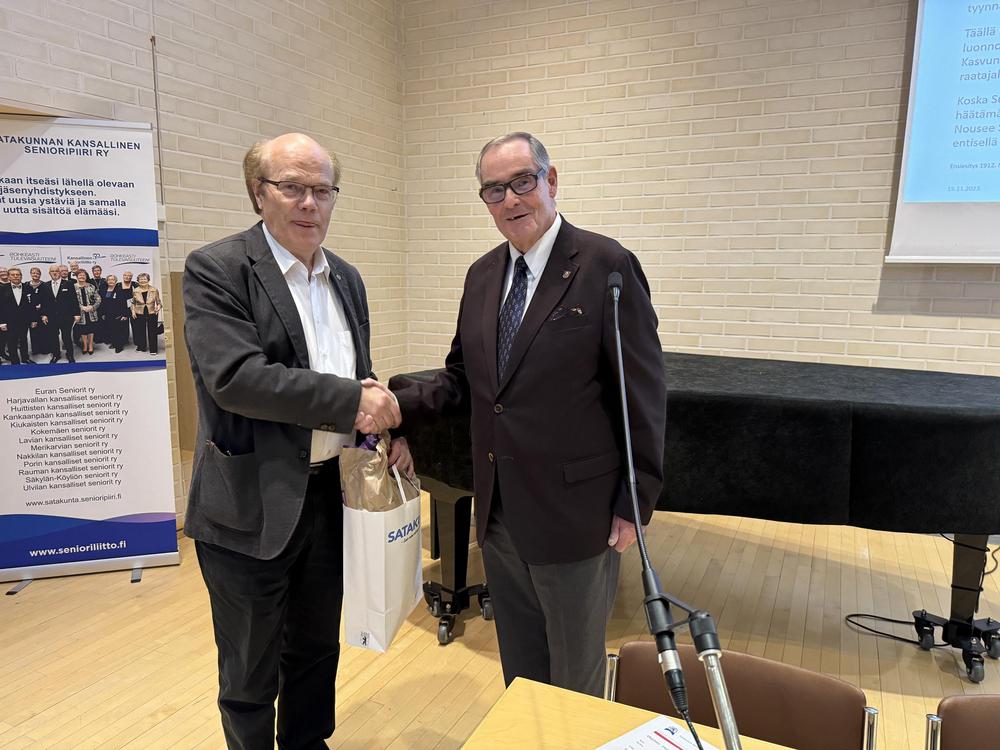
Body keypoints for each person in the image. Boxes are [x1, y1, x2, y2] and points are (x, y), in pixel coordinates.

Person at [392, 132, 666, 698]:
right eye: (494, 190)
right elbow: (464, 377)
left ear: (551, 181)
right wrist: (398, 407)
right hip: (499, 513)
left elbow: (641, 392)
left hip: (575, 516)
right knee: (521, 670)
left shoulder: (606, 265)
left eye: (522, 182)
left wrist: (634, 500)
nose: (511, 199)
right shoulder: (481, 275)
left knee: (575, 677)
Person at [182, 132, 405, 749]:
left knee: (314, 648)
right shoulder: (218, 269)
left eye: (322, 190)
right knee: (250, 668)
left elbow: (356, 374)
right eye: (292, 188)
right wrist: (351, 400)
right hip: (250, 504)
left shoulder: (347, 279)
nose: (309, 203)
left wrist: (384, 426)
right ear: (259, 193)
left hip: (328, 499)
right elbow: (237, 378)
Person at [41, 264, 80, 363]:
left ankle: (70, 354)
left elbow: (74, 300)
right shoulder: (45, 285)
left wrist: (77, 314)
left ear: (60, 272)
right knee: (53, 337)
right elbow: (43, 302)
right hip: (51, 317)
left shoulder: (68, 284)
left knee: (66, 337)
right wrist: (44, 314)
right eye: (52, 271)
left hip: (66, 316)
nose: (55, 273)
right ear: (49, 273)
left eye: (56, 271)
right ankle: (56, 355)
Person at [0, 267, 37, 364]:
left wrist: (34, 319)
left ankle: (25, 358)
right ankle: (14, 361)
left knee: (24, 339)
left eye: (18, 275)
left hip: (24, 319)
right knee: (11, 341)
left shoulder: (28, 287)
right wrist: (1, 322)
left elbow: (32, 305)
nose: (16, 276)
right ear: (9, 277)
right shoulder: (2, 289)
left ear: (21, 276)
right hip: (9, 320)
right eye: (13, 275)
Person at [130, 273, 161, 355]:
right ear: (138, 280)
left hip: (152, 312)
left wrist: (158, 307)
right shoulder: (135, 290)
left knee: (152, 331)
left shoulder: (154, 290)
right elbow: (132, 303)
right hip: (139, 312)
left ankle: (153, 349)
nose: (143, 281)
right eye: (141, 279)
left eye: (144, 279)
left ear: (148, 280)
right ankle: (142, 347)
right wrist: (133, 311)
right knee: (140, 331)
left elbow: (159, 302)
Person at [73, 269, 101, 355]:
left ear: (86, 276)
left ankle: (90, 345)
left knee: (91, 329)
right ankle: (85, 345)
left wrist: (92, 307)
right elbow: (70, 301)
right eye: (80, 275)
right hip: (79, 313)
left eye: (83, 275)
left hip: (91, 312)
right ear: (77, 276)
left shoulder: (91, 286)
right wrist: (81, 307)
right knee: (83, 330)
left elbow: (98, 299)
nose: (82, 276)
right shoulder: (73, 287)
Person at [99, 274, 129, 353]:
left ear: (115, 281)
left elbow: (124, 303)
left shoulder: (119, 290)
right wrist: (102, 313)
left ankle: (119, 346)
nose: (111, 281)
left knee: (118, 330)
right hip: (108, 313)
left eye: (112, 279)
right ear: (107, 281)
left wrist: (125, 315)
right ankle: (114, 343)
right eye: (109, 280)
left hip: (118, 314)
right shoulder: (104, 290)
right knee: (111, 329)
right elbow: (103, 303)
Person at [25, 267, 50, 358]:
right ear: (31, 274)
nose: (35, 275)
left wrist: (42, 306)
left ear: (40, 275)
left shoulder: (44, 285)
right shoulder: (26, 285)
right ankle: (35, 349)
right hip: (30, 312)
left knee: (44, 331)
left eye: (37, 273)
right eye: (33, 273)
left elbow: (48, 299)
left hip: (42, 312)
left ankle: (45, 349)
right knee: (33, 330)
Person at [120, 270, 137, 345]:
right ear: (123, 276)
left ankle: (137, 341)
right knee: (123, 325)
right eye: (125, 275)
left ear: (131, 277)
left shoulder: (135, 284)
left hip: (133, 306)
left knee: (135, 324)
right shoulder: (118, 285)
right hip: (123, 307)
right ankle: (124, 340)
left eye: (129, 276)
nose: (127, 277)